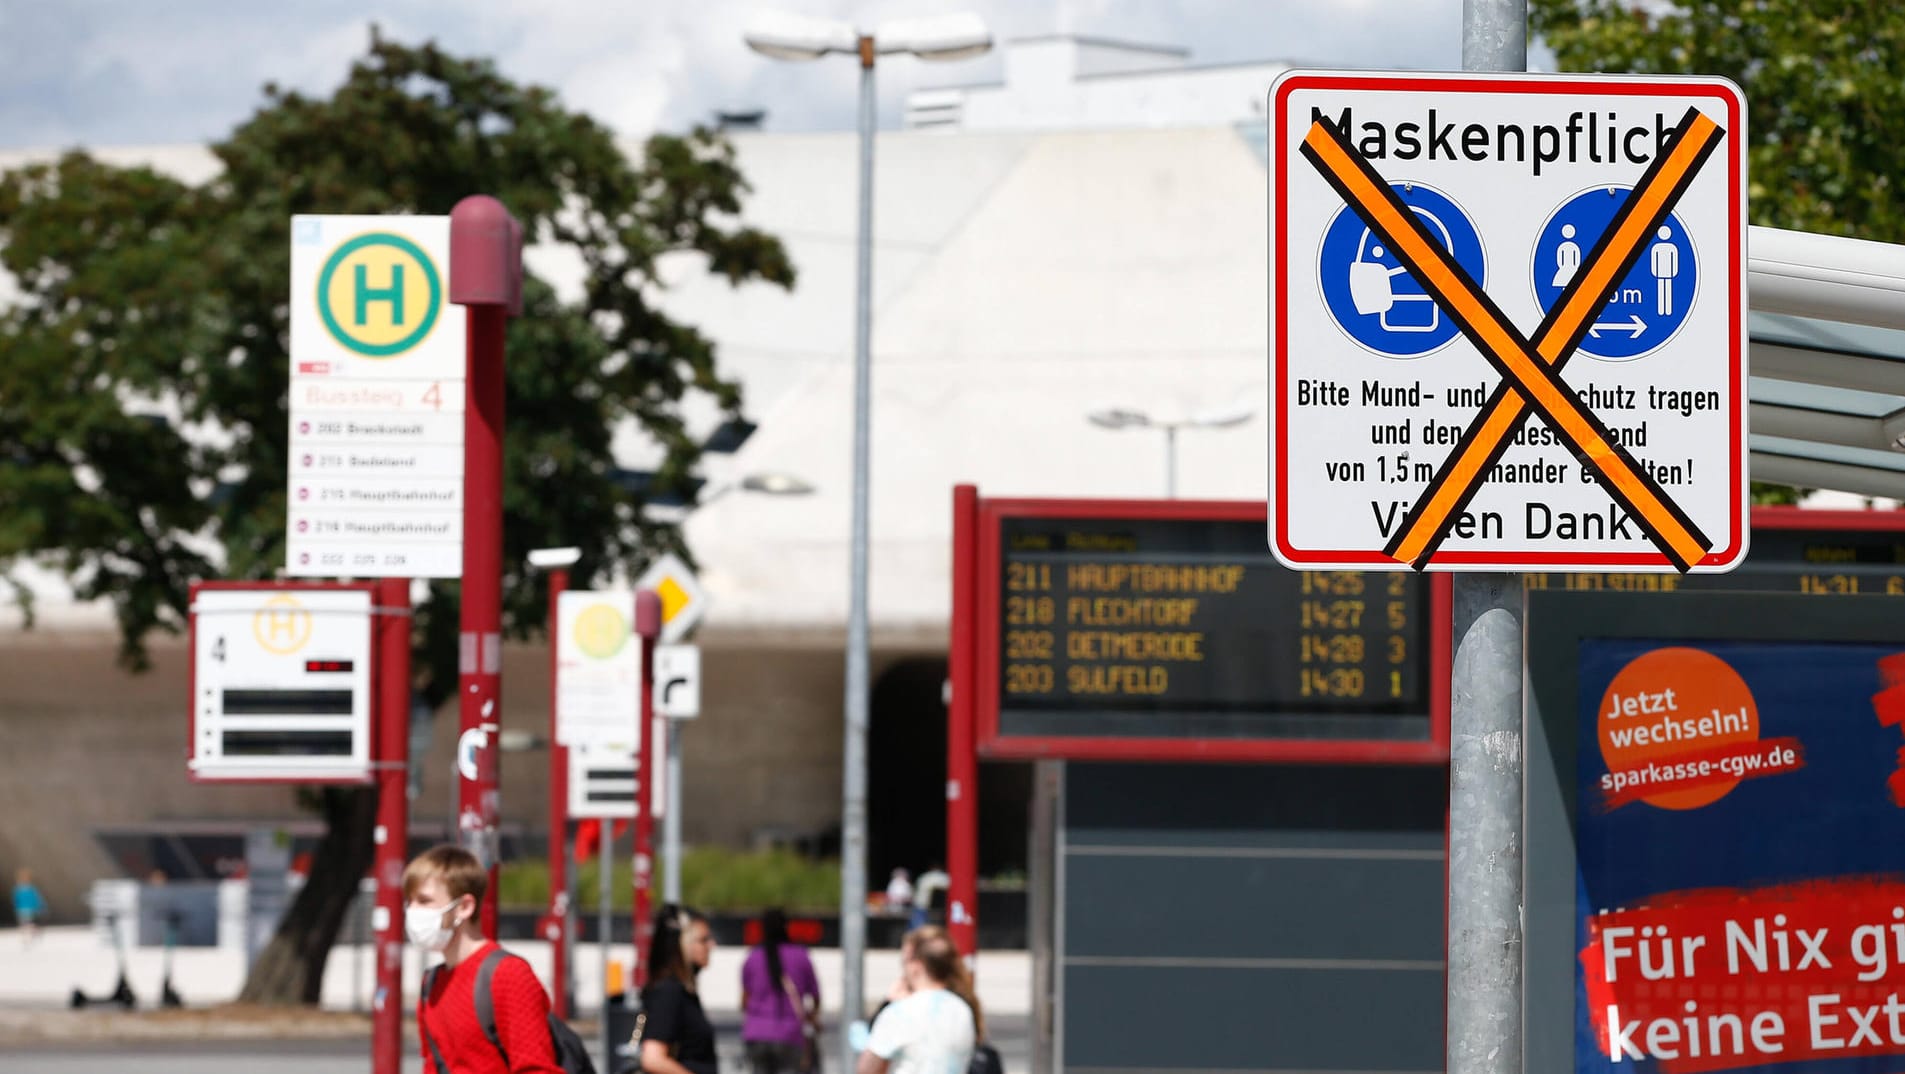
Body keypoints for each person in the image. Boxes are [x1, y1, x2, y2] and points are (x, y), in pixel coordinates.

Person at [406, 845, 563, 1073]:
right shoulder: (430, 983)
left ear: (464, 907)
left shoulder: (508, 974)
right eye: (409, 902)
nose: (412, 911)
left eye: (424, 901)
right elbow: (432, 1065)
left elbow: (537, 1068)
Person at [856, 925, 981, 1074]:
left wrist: (887, 1004)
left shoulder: (901, 1012)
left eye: (904, 962)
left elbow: (867, 1069)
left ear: (916, 966)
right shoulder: (963, 1010)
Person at [639, 904, 719, 1074]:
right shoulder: (669, 991)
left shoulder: (682, 991)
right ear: (683, 944)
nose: (712, 945)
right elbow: (652, 1058)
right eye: (703, 940)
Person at [740, 908, 821, 1074]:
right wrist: (811, 1017)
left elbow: (744, 1001)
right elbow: (815, 996)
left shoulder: (753, 957)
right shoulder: (801, 956)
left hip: (757, 1034)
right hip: (790, 1034)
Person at [12, 868, 46, 946]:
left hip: (30, 909)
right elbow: (16, 900)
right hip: (21, 910)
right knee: (24, 924)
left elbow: (36, 898)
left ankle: (33, 933)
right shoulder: (18, 889)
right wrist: (16, 907)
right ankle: (26, 938)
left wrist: (40, 906)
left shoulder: (31, 889)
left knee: (28, 924)